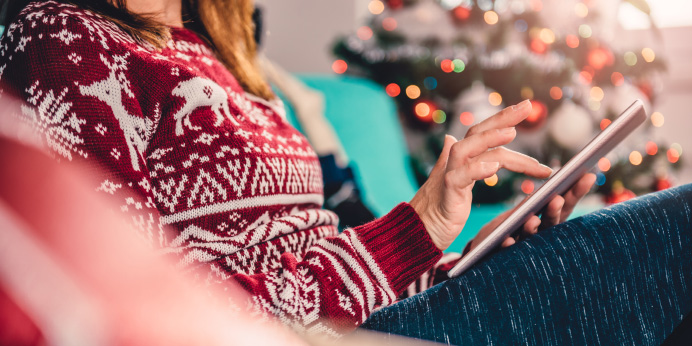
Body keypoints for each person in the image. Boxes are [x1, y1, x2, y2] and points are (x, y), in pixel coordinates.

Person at [0, 0, 689, 344]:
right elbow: (171, 310)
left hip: (367, 318)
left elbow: (313, 252)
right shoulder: (64, 37)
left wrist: (450, 256)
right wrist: (411, 230)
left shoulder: (216, 56)